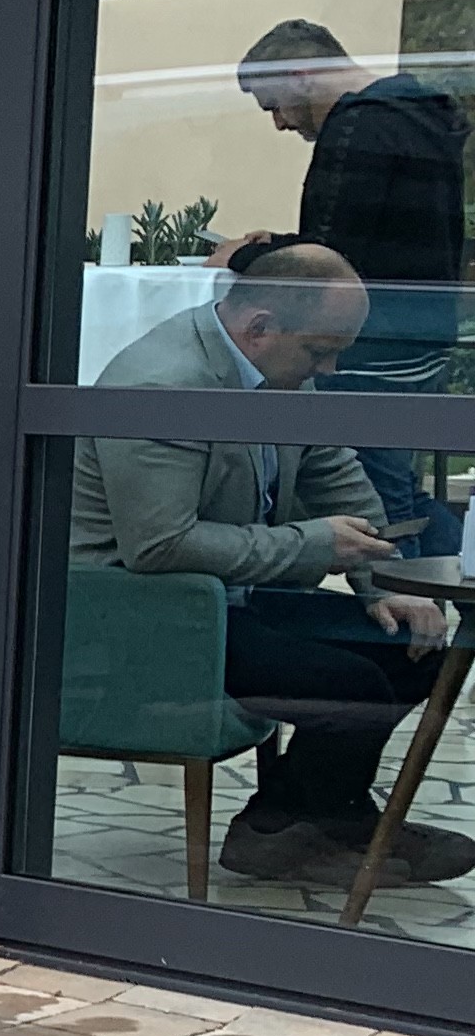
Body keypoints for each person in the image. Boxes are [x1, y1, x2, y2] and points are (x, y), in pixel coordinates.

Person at [75, 238, 470, 885]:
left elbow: (336, 476)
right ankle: (313, 825)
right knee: (346, 684)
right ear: (260, 327)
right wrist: (314, 544)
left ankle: (295, 821)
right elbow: (159, 546)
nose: (330, 369)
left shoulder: (276, 369)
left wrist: (384, 583)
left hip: (224, 596)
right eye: (320, 351)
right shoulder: (165, 382)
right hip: (142, 612)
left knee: (412, 646)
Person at [240, 16, 471, 553]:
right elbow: (380, 233)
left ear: (300, 74)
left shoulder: (356, 126)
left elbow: (331, 259)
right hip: (423, 337)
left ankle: (409, 599)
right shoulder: (419, 115)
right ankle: (459, 581)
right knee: (404, 493)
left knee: (379, 510)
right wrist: (285, 241)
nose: (279, 123)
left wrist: (249, 256)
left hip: (370, 346)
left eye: (274, 105)